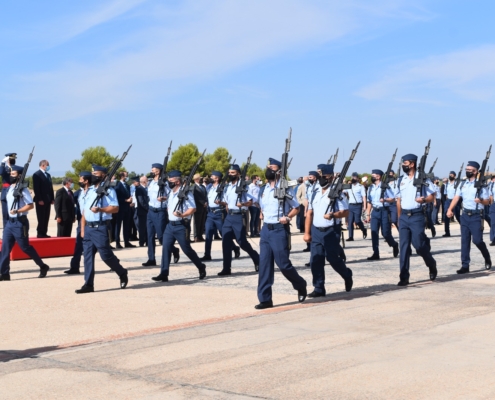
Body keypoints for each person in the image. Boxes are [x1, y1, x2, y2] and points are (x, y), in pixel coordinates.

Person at [255, 158, 307, 309]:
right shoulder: (264, 189)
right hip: (266, 230)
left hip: (279, 229)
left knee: (283, 264)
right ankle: (265, 299)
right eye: (268, 167)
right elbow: (262, 206)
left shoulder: (285, 189)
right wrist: (261, 213)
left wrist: (288, 216)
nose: (268, 169)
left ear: (279, 171)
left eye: (272, 167)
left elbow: (296, 207)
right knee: (264, 264)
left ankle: (300, 284)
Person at [75, 165, 129, 293]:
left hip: (100, 227)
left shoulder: (109, 190)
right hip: (88, 228)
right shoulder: (90, 190)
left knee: (106, 256)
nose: (93, 175)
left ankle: (121, 272)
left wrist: (100, 209)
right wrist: (82, 229)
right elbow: (84, 212)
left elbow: (115, 208)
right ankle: (88, 284)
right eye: (92, 173)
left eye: (96, 173)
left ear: (103, 175)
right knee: (87, 256)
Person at [304, 163, 353, 297]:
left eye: (323, 176)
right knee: (315, 259)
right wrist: (307, 232)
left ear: (331, 177)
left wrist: (333, 215)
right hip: (316, 230)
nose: (320, 178)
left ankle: (346, 274)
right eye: (319, 175)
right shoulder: (315, 192)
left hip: (331, 230)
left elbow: (345, 212)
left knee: (332, 258)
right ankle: (319, 288)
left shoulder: (338, 192)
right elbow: (309, 213)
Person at [151, 170, 206, 282]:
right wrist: (164, 200)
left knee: (186, 249)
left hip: (181, 225)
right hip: (170, 226)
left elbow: (193, 208)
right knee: (166, 248)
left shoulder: (186, 193)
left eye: (171, 181)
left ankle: (201, 266)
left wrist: (183, 215)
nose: (168, 182)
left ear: (177, 182)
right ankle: (164, 273)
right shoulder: (171, 193)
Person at [0, 165, 50, 281]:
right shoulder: (10, 189)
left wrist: (18, 210)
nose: (11, 175)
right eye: (10, 173)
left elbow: (30, 205)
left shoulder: (23, 189)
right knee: (5, 248)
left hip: (19, 223)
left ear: (20, 176)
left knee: (25, 247)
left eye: (13, 174)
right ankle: (4, 273)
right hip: (9, 223)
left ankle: (43, 266)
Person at [396, 154, 437, 286]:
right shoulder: (400, 180)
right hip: (404, 217)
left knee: (418, 245)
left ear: (412, 164)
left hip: (417, 215)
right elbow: (398, 199)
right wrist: (398, 217)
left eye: (406, 163)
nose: (403, 165)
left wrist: (424, 200)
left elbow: (433, 195)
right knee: (403, 247)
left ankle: (431, 263)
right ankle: (404, 276)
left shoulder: (422, 177)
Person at [446, 161, 492, 273]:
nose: (467, 172)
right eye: (466, 170)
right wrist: (450, 209)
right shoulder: (463, 184)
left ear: (475, 171)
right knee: (465, 241)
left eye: (469, 170)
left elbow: (489, 201)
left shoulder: (481, 185)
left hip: (476, 216)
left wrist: (481, 200)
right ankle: (465, 265)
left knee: (477, 240)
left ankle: (486, 257)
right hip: (465, 215)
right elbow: (456, 198)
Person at [217, 163, 260, 276]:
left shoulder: (244, 186)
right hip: (229, 216)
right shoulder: (228, 187)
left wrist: (243, 204)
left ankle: (257, 259)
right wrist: (220, 203)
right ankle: (226, 268)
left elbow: (251, 201)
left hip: (239, 216)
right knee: (225, 242)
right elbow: (227, 202)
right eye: (229, 173)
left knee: (242, 242)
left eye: (233, 173)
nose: (230, 174)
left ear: (238, 174)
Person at [142, 163, 179, 267]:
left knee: (161, 237)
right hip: (150, 211)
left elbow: (170, 195)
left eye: (154, 169)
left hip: (160, 211)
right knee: (149, 236)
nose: (152, 171)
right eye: (152, 169)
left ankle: (174, 250)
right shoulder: (151, 183)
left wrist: (164, 199)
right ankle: (151, 259)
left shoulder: (165, 183)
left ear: (158, 171)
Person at [201, 170, 240, 261]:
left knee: (224, 234)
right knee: (208, 234)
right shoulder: (209, 187)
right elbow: (208, 197)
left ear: (217, 178)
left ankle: (234, 248)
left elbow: (226, 200)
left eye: (212, 176)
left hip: (219, 213)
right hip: (210, 213)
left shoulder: (223, 188)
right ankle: (207, 254)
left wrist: (220, 202)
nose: (210, 178)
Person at [365, 169, 399, 261]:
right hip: (375, 212)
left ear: (378, 176)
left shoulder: (385, 186)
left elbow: (393, 198)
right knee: (374, 233)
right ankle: (376, 253)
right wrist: (368, 214)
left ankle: (394, 244)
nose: (372, 177)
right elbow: (369, 202)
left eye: (373, 175)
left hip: (384, 211)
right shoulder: (370, 187)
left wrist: (385, 200)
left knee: (386, 233)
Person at [65, 171, 92, 275]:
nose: (78, 181)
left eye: (81, 179)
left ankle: (114, 264)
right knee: (78, 245)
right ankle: (74, 267)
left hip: (91, 221)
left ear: (86, 180)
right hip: (82, 221)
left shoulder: (93, 192)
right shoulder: (78, 193)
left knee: (101, 246)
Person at [32, 159, 54, 238]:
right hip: (41, 200)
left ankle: (44, 232)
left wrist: (52, 198)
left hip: (48, 199)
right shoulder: (37, 174)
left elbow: (50, 187)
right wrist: (39, 199)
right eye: (47, 165)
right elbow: (36, 188)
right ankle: (40, 232)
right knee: (41, 217)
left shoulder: (48, 175)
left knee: (46, 217)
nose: (48, 167)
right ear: (43, 165)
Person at [344, 172, 367, 241]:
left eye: (354, 177)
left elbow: (364, 197)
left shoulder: (360, 186)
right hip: (351, 205)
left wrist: (365, 206)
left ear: (357, 178)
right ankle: (351, 236)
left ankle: (363, 229)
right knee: (350, 221)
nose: (353, 178)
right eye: (352, 177)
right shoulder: (349, 186)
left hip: (358, 205)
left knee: (357, 220)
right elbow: (343, 191)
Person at [114, 171, 135, 249]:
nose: (127, 177)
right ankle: (117, 242)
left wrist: (130, 201)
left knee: (127, 226)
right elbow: (117, 198)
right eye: (126, 175)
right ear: (122, 176)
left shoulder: (127, 185)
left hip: (127, 208)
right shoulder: (118, 186)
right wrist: (125, 200)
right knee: (118, 226)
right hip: (120, 209)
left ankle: (126, 241)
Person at [132, 176, 149, 247]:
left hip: (146, 211)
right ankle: (142, 242)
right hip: (142, 212)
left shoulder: (146, 189)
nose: (148, 182)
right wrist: (148, 208)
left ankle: (148, 241)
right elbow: (141, 201)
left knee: (148, 227)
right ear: (144, 182)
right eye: (147, 180)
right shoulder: (139, 189)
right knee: (142, 228)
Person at [0, 152, 16, 227]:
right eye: (11, 159)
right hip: (5, 191)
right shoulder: (4, 168)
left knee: (14, 212)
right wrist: (3, 163)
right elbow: (1, 172)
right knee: (5, 213)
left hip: (14, 190)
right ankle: (6, 231)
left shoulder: (16, 168)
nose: (13, 161)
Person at [443, 171, 460, 237]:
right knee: (446, 215)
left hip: (455, 201)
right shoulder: (447, 184)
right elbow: (446, 193)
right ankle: (447, 232)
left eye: (452, 175)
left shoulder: (457, 184)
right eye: (450, 175)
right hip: (448, 200)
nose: (450, 176)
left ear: (454, 176)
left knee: (457, 216)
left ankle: (465, 230)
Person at [192, 173, 207, 242]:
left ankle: (200, 236)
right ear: (196, 179)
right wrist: (202, 203)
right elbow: (195, 197)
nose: (201, 179)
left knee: (202, 222)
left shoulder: (203, 187)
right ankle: (196, 236)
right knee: (197, 223)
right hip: (198, 206)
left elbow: (206, 195)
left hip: (204, 207)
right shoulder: (194, 187)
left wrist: (206, 202)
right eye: (199, 178)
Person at [488, 176, 495, 246]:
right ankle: (493, 239)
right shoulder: (492, 185)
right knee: (493, 222)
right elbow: (490, 196)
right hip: (493, 205)